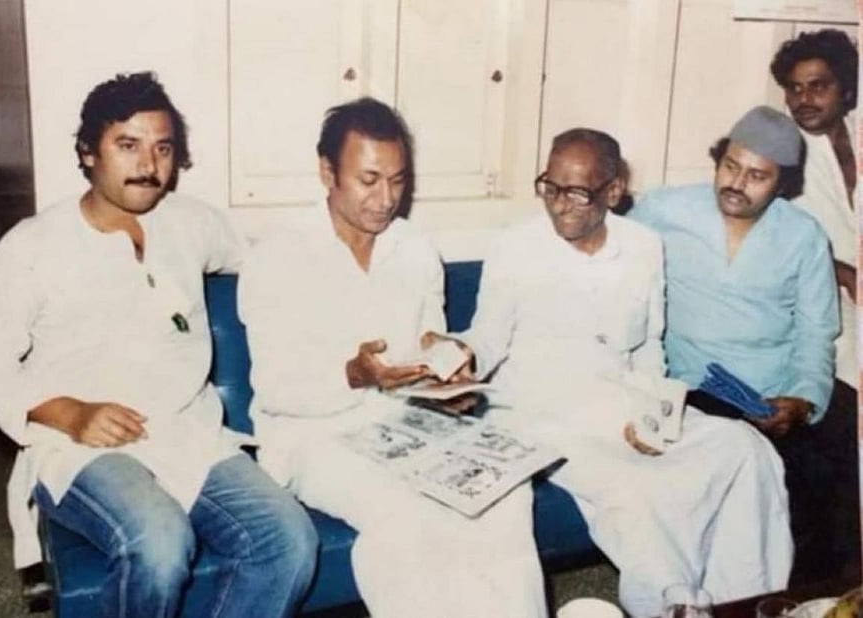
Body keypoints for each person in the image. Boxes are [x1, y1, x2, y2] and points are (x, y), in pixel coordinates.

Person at [0, 72, 317, 618]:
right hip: (81, 449)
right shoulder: (34, 245)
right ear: (86, 154)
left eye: (163, 148)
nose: (149, 166)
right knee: (159, 543)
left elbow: (268, 266)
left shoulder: (191, 224)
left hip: (187, 434)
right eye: (127, 146)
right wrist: (71, 412)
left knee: (289, 542)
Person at [434, 128, 792, 617]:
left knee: (745, 450)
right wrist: (456, 354)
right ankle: (675, 605)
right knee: (636, 489)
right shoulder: (516, 247)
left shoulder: (643, 247)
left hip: (626, 403)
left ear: (614, 191)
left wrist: (654, 415)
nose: (560, 205)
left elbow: (648, 347)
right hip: (542, 415)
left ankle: (745, 602)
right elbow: (488, 337)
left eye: (578, 193)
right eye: (551, 187)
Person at [238, 97, 547, 618]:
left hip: (405, 423)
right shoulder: (277, 257)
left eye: (398, 181)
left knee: (504, 495)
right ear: (326, 171)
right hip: (312, 436)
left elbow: (428, 345)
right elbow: (275, 390)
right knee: (408, 517)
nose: (386, 199)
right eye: (369, 180)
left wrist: (448, 378)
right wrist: (355, 377)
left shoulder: (415, 250)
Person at [629, 105, 855, 581]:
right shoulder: (664, 210)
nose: (736, 183)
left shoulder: (803, 235)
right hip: (693, 387)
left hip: (777, 387)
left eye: (757, 176)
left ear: (783, 184)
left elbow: (817, 332)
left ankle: (810, 600)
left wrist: (802, 398)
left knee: (830, 472)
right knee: (755, 480)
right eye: (730, 166)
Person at [770, 28, 857, 387]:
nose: (803, 99)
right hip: (821, 291)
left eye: (818, 86)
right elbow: (766, 233)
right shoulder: (779, 147)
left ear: (848, 91)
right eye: (794, 88)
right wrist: (843, 273)